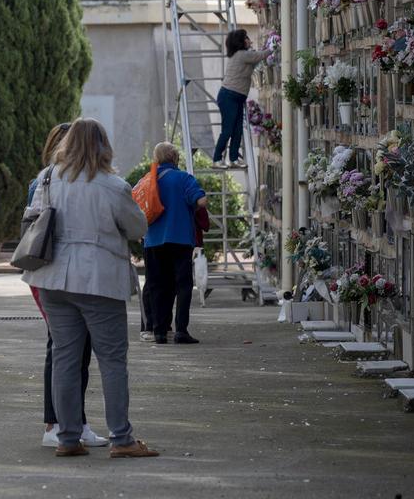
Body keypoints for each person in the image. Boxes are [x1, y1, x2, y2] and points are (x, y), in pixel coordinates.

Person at [23, 119, 158, 458]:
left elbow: (33, 218)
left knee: (65, 358)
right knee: (112, 360)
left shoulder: (48, 178)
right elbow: (135, 226)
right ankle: (122, 438)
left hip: (52, 278)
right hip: (98, 280)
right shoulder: (112, 185)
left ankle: (68, 438)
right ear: (103, 145)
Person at [27, 123, 108, 448]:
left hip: (58, 272)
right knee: (63, 349)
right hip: (56, 273)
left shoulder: (52, 178)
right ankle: (57, 423)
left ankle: (72, 422)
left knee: (72, 350)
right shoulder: (49, 179)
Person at [143, 142, 208, 345]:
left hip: (152, 240)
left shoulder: (147, 180)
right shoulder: (184, 178)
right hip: (180, 239)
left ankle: (159, 331)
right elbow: (201, 201)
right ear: (175, 158)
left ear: (157, 159)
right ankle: (181, 330)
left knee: (156, 285)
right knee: (182, 285)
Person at [214, 29, 271, 168]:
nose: (248, 40)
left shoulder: (244, 55)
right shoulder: (241, 55)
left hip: (237, 97)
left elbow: (256, 58)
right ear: (240, 41)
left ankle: (233, 158)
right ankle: (217, 159)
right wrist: (273, 45)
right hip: (229, 96)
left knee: (237, 129)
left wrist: (257, 48)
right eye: (246, 38)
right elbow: (260, 55)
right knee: (227, 130)